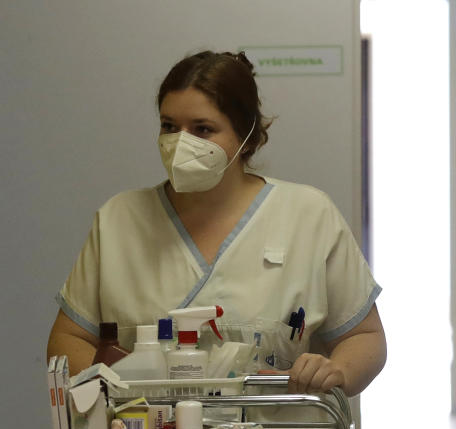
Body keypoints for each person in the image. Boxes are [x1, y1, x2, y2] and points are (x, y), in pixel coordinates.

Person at [46, 51, 386, 396]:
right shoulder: (119, 220)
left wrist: (337, 370)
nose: (181, 144)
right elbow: (68, 338)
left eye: (202, 129)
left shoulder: (308, 215)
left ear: (247, 135)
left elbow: (364, 336)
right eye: (169, 127)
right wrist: (113, 390)